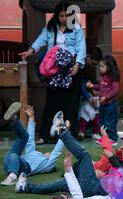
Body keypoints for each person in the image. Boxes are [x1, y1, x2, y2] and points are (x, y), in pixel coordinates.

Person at [19, 0, 86, 143]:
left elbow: (81, 47)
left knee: (70, 103)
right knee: (52, 102)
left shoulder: (76, 28)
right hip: (55, 70)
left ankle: (68, 137)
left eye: (67, 15)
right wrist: (31, 50)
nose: (64, 19)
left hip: (72, 68)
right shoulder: (50, 28)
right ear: (56, 16)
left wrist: (77, 65)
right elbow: (40, 40)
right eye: (61, 16)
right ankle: (46, 136)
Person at [1, 103, 64, 186]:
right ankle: (13, 119)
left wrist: (64, 134)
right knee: (24, 137)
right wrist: (31, 117)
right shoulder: (33, 152)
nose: (50, 152)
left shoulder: (47, 165)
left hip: (23, 167)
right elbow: (30, 139)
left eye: (51, 154)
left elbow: (56, 152)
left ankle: (12, 177)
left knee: (14, 156)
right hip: (10, 161)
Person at [87, 55, 120, 145]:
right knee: (102, 121)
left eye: (102, 66)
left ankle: (112, 138)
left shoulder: (113, 78)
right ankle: (105, 137)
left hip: (111, 104)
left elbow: (115, 90)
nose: (100, 68)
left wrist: (106, 97)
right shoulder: (102, 77)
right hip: (103, 104)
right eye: (100, 66)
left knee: (110, 122)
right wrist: (93, 86)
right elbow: (100, 87)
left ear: (109, 67)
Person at [77, 47, 104, 141]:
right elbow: (80, 83)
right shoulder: (79, 64)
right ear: (88, 56)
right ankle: (81, 131)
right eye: (93, 63)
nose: (94, 66)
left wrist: (93, 91)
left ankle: (93, 132)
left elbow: (88, 82)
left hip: (87, 97)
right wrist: (88, 97)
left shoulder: (89, 68)